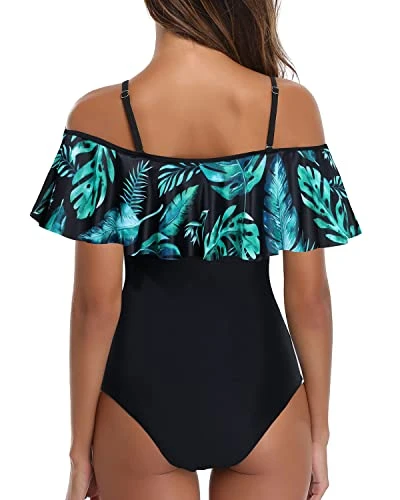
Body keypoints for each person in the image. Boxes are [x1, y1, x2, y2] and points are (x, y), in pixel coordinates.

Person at [30, 1, 362, 499]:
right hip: (265, 395)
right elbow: (310, 299)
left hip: (137, 401)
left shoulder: (99, 116)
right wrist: (319, 432)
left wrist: (80, 449)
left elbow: (96, 305)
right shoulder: (288, 108)